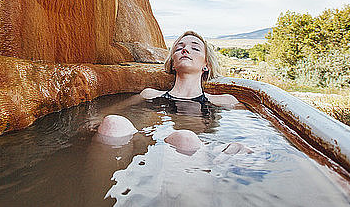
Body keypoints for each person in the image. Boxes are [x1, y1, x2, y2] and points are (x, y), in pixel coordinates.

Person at [97, 30, 249, 155]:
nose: (185, 49)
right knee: (113, 123)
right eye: (178, 48)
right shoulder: (149, 94)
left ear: (206, 65)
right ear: (173, 64)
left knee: (185, 138)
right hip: (150, 146)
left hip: (200, 152)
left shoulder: (225, 101)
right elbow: (101, 115)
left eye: (195, 48)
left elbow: (250, 132)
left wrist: (239, 147)